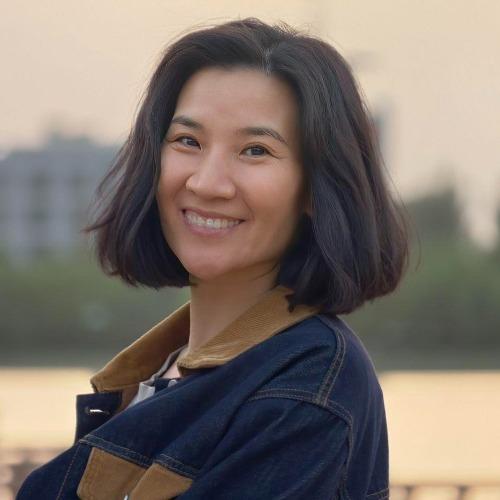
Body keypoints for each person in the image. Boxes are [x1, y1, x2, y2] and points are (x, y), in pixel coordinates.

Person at [17, 17, 409, 499]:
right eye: (188, 141)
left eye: (254, 150)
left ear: (315, 187)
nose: (206, 182)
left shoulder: (304, 392)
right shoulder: (152, 375)